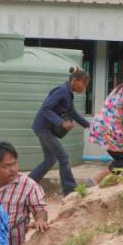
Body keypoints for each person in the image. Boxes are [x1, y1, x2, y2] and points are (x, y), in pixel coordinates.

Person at [28, 67, 91, 195]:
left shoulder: (68, 93)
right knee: (64, 158)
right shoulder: (61, 91)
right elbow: (46, 108)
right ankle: (70, 191)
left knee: (50, 160)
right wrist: (61, 122)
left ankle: (27, 184)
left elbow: (73, 113)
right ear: (74, 80)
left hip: (45, 128)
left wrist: (90, 126)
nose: (84, 88)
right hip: (43, 128)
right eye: (84, 83)